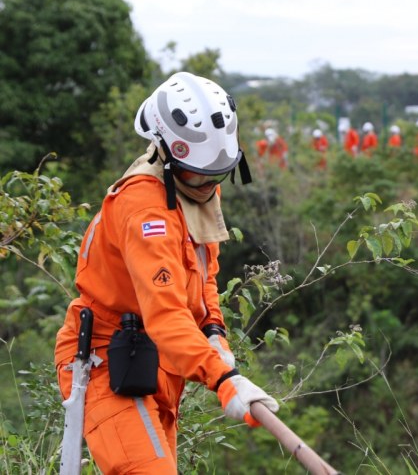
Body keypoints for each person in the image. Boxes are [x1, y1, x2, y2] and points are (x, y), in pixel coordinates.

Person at [54, 72, 280, 473]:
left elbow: (203, 274)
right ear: (167, 156)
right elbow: (166, 313)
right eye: (199, 174)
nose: (209, 184)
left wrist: (214, 332)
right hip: (106, 358)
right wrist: (223, 377)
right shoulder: (146, 210)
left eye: (217, 174)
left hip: (154, 361)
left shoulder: (196, 187)